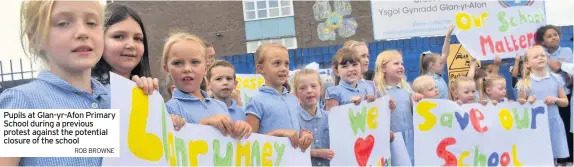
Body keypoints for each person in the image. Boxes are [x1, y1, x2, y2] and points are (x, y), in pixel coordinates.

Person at [162, 32, 251, 139]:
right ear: (166, 69)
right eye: (177, 63)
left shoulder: (220, 105)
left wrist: (240, 128)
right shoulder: (168, 109)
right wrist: (204, 124)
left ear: (206, 68)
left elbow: (229, 139)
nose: (187, 69)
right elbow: (175, 147)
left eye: (195, 62)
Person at [245, 43, 313, 152]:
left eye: (286, 64)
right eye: (277, 63)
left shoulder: (293, 100)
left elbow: (299, 129)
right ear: (261, 68)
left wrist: (305, 134)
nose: (283, 68)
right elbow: (248, 142)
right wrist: (277, 134)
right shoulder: (256, 101)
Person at [516, 46, 570, 165]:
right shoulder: (524, 83)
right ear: (527, 64)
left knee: (554, 154)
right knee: (538, 155)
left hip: (553, 122)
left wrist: (555, 99)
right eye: (535, 57)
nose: (540, 58)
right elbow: (520, 103)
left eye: (543, 55)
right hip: (535, 125)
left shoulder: (556, 79)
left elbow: (565, 102)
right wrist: (527, 100)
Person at [373, 50, 423, 165]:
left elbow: (414, 110)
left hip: (411, 135)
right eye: (396, 63)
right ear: (383, 68)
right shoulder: (379, 92)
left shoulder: (407, 88)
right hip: (393, 138)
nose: (401, 66)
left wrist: (416, 99)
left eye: (402, 64)